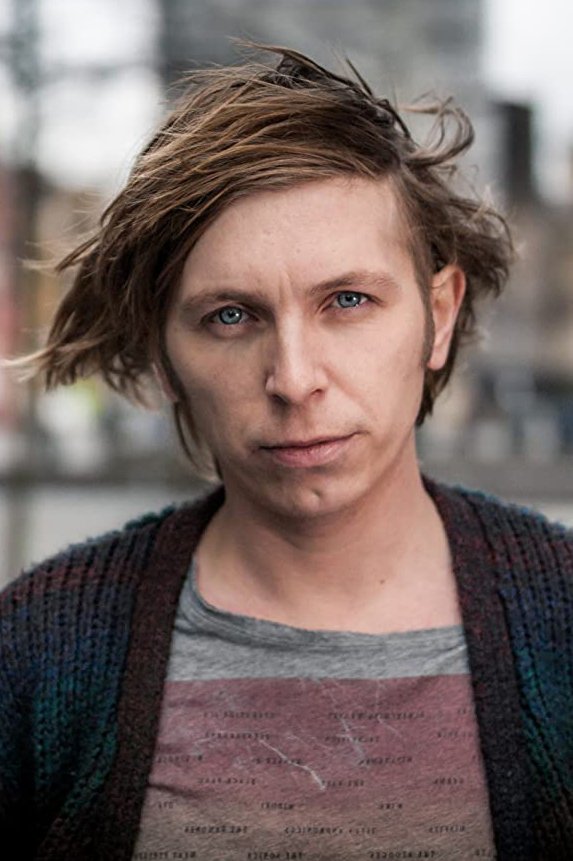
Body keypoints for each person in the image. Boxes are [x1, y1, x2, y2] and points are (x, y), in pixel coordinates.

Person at [1, 44, 572, 861]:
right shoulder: (36, 650)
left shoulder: (561, 620)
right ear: (163, 354)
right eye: (230, 316)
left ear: (438, 315)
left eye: (348, 300)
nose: (294, 379)